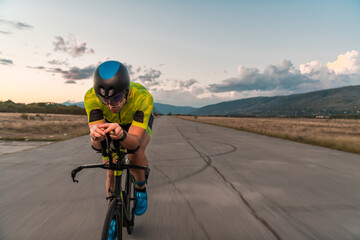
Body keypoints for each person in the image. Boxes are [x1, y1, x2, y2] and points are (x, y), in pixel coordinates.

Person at [84, 60, 154, 216]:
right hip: (110, 123)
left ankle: (141, 189)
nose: (110, 106)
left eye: (116, 99)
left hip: (135, 123)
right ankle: (113, 214)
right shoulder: (91, 97)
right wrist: (96, 138)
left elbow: (134, 142)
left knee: (135, 152)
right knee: (110, 166)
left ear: (127, 92)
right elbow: (97, 146)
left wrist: (122, 135)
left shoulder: (143, 98)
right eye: (104, 100)